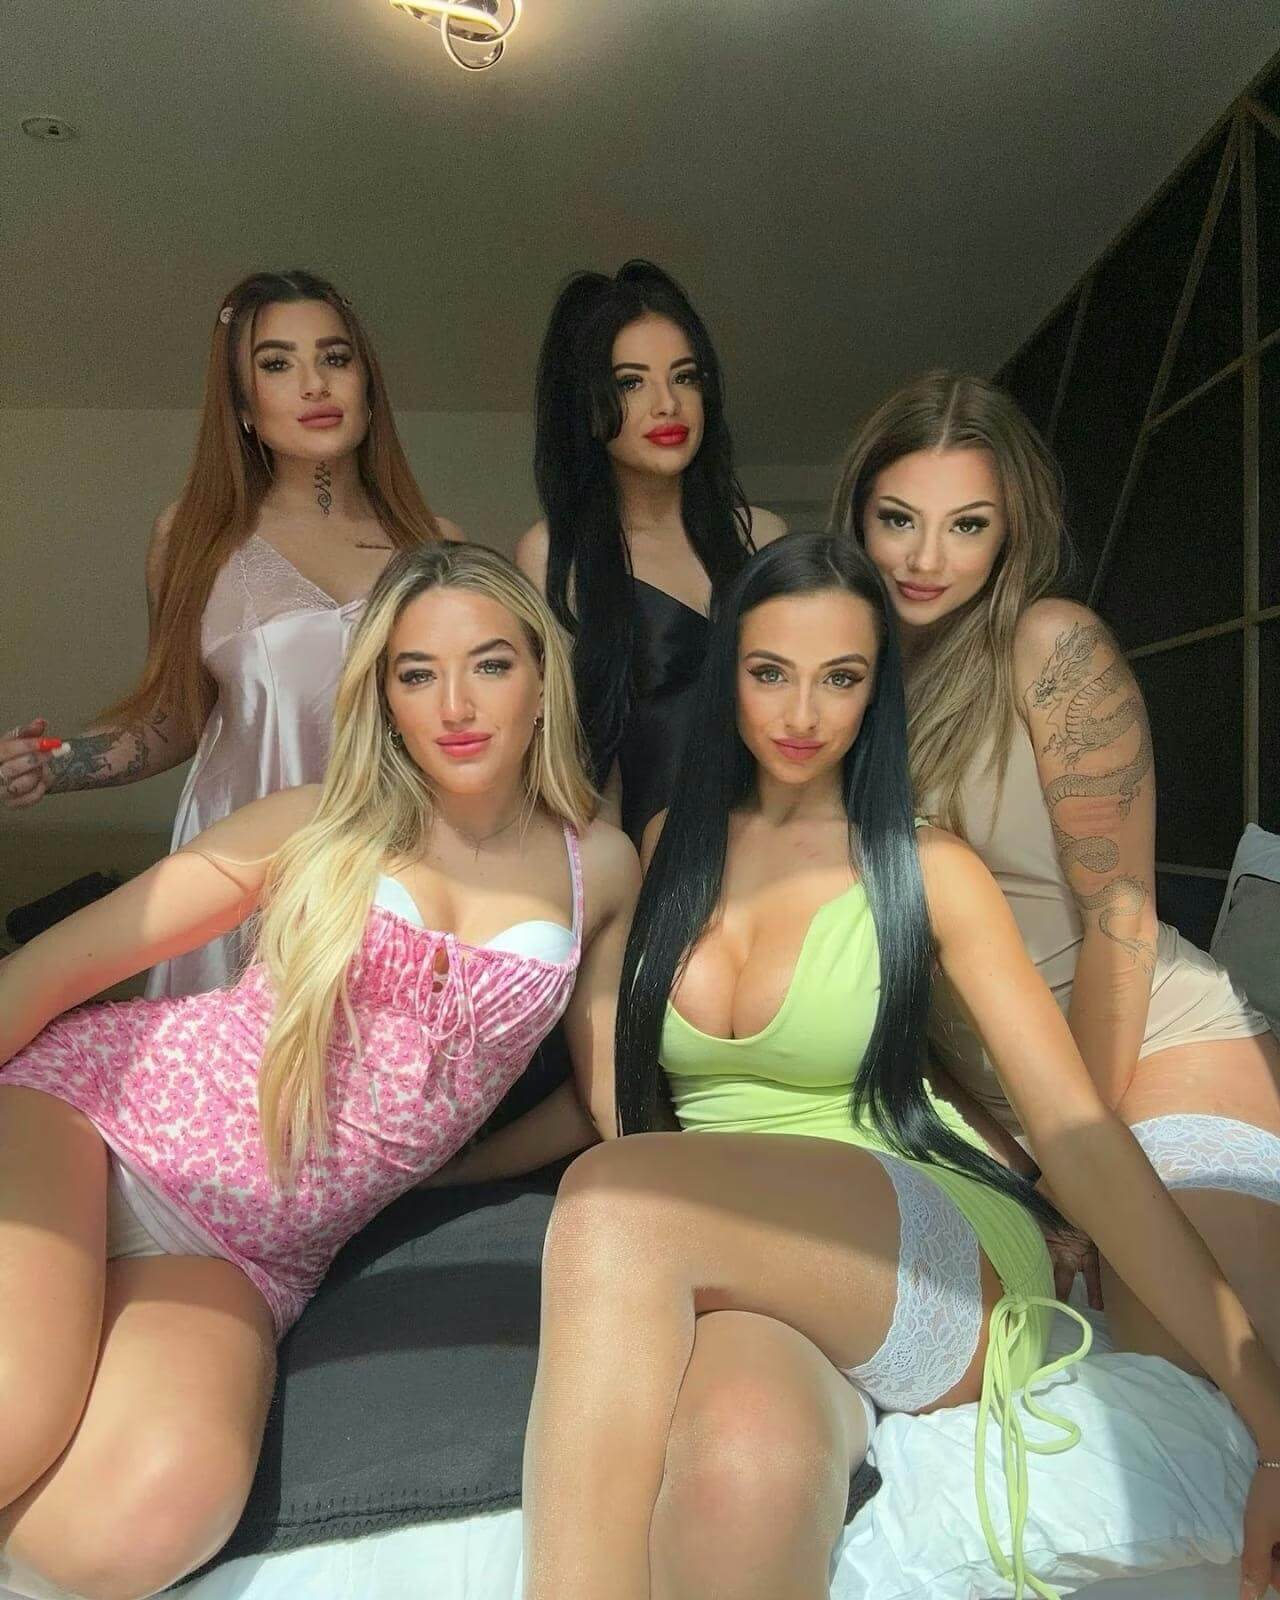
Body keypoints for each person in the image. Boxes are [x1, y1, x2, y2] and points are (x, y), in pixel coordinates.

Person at [520, 534, 1280, 1600]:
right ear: (728, 672)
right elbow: (603, 1081)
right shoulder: (665, 844)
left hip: (918, 1232)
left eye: (840, 678)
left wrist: (1271, 1421)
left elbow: (1077, 1133)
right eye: (770, 672)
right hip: (734, 1248)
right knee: (739, 1467)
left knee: (612, 1199)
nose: (801, 713)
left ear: (876, 690)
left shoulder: (927, 868)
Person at [0, 543, 636, 1600]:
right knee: (15, 1411)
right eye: (417, 673)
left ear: (540, 678)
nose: (455, 704)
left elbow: (596, 1099)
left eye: (489, 663)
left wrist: (450, 1176)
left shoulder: (598, 866)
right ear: (385, 699)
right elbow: (57, 967)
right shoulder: (313, 822)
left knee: (131, 1529)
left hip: (250, 1253)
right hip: (95, 1121)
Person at [833, 370, 1280, 1376]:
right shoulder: (847, 692)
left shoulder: (1051, 645)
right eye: (898, 519)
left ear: (1009, 534)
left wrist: (1074, 1160)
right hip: (1006, 1110)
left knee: (1194, 1361)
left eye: (967, 525)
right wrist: (1007, 1158)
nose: (925, 558)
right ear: (857, 515)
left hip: (1156, 1052)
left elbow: (1123, 925)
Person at [0, 268, 461, 997]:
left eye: (335, 358)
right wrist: (55, 764)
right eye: (277, 364)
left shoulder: (439, 549)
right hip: (238, 872)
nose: (314, 384)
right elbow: (174, 720)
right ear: (243, 406)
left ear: (368, 388)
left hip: (396, 868)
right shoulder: (193, 538)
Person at [516, 259, 786, 846]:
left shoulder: (762, 538)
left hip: (776, 852)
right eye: (631, 383)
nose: (668, 404)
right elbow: (566, 751)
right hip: (643, 856)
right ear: (587, 402)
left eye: (685, 377)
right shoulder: (555, 555)